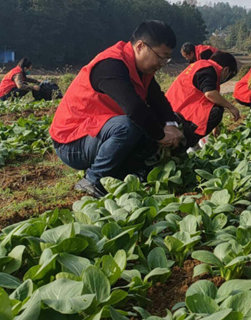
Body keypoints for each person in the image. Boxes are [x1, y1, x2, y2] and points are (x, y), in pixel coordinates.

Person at [49, 20, 184, 198]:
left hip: (98, 133)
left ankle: (127, 174)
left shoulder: (142, 70)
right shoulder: (111, 65)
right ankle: (92, 179)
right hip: (71, 143)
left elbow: (158, 100)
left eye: (167, 59)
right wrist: (161, 135)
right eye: (160, 57)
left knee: (168, 120)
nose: (162, 63)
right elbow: (134, 108)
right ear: (140, 46)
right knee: (129, 125)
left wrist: (171, 124)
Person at [166, 51, 240, 148]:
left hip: (173, 106)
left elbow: (209, 99)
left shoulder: (201, 65)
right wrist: (231, 107)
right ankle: (188, 143)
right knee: (217, 111)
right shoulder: (210, 69)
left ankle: (191, 142)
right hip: (179, 111)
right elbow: (210, 94)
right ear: (226, 70)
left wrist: (215, 127)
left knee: (215, 106)